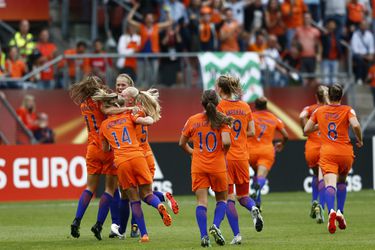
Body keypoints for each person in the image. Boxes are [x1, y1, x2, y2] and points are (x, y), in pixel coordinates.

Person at [99, 88, 172, 243]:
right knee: (147, 194)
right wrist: (148, 117)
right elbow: (147, 121)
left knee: (134, 200)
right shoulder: (129, 115)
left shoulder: (104, 125)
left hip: (122, 162)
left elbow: (105, 149)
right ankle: (159, 205)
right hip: (138, 157)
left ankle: (144, 234)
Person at [304, 84, 363, 234]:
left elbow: (306, 130)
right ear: (341, 96)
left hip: (328, 153)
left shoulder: (319, 111)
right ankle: (340, 212)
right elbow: (356, 125)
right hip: (345, 152)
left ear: (328, 96)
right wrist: (360, 139)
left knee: (330, 184)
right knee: (342, 181)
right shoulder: (348, 110)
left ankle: (331, 211)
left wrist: (320, 126)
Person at [179, 89, 232, 247]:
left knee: (201, 202)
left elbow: (181, 143)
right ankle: (215, 226)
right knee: (222, 199)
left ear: (202, 103)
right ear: (217, 103)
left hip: (199, 165)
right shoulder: (222, 120)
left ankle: (204, 236)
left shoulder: (193, 120)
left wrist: (192, 152)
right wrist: (223, 152)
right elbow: (227, 142)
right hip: (217, 165)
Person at [69, 76, 119, 241]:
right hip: (108, 147)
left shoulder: (84, 104)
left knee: (90, 188)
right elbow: (109, 109)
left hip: (92, 148)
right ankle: (98, 224)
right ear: (97, 86)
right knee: (109, 190)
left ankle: (77, 220)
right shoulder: (102, 102)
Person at [216, 75, 263, 245]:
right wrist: (240, 133)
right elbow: (251, 131)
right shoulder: (244, 106)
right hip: (243, 157)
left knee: (229, 198)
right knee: (243, 196)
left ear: (221, 89)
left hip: (226, 158)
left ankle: (237, 235)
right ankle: (253, 208)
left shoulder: (219, 107)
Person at [248, 97, 288, 210]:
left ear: (255, 106)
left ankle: (258, 204)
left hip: (251, 151)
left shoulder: (250, 117)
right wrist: (282, 144)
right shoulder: (273, 118)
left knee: (257, 175)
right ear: (266, 106)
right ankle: (257, 188)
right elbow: (285, 135)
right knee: (261, 176)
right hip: (266, 151)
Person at [299, 85, 329, 224]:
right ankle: (320, 207)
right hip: (325, 147)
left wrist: (307, 129)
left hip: (311, 147)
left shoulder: (310, 108)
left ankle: (314, 202)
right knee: (324, 177)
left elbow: (302, 116)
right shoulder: (330, 109)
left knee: (316, 175)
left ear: (316, 96)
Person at [127, 2, 172, 87]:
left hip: (154, 53)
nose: (150, 19)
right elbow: (129, 19)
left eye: (151, 17)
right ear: (145, 19)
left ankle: (151, 93)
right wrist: (135, 8)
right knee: (140, 75)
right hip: (142, 52)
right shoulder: (141, 27)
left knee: (153, 75)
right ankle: (138, 92)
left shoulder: (156, 27)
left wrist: (167, 12)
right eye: (148, 17)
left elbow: (169, 22)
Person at [294, 12, 321, 86]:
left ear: (311, 19)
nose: (307, 19)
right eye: (305, 18)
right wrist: (296, 50)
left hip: (312, 57)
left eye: (308, 18)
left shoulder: (315, 31)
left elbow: (318, 44)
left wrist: (319, 54)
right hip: (302, 57)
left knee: (313, 79)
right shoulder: (298, 30)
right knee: (304, 79)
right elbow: (294, 42)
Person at [351, 20, 374, 84]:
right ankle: (359, 78)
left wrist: (371, 55)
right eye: (362, 25)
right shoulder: (355, 34)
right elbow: (355, 49)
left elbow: (371, 48)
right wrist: (365, 56)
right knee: (360, 60)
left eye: (365, 25)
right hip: (357, 55)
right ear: (359, 26)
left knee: (371, 61)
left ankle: (368, 79)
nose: (364, 27)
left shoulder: (370, 35)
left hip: (367, 54)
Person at [321, 19, 342, 86]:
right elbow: (321, 42)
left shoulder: (337, 34)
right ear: (327, 25)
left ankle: (333, 94)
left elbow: (340, 44)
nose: (332, 25)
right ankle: (326, 94)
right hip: (326, 58)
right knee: (325, 79)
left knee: (334, 79)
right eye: (330, 24)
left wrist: (340, 54)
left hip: (335, 58)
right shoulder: (324, 34)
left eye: (333, 24)